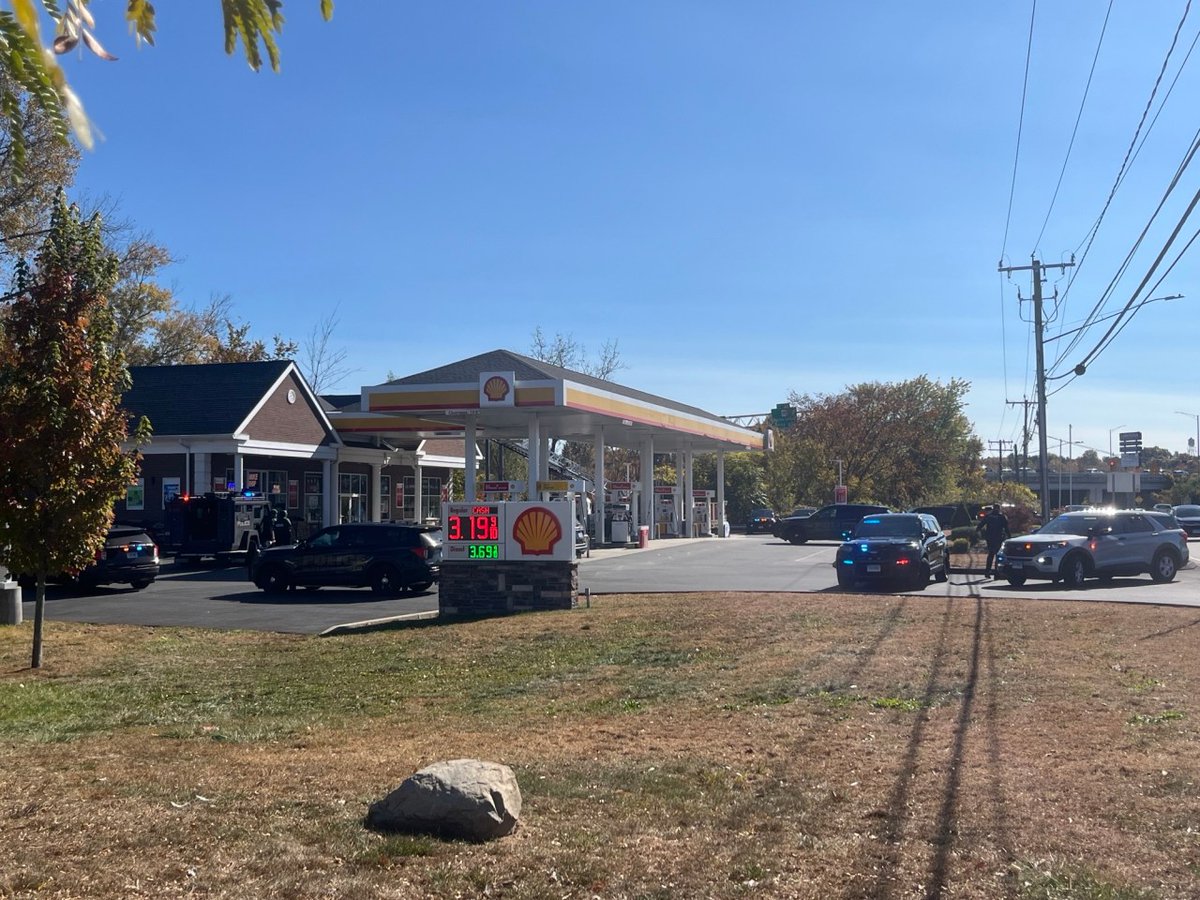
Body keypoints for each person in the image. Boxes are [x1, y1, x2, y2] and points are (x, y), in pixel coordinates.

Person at [977, 504, 1011, 578]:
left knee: (991, 554)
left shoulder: (989, 516)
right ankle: (996, 573)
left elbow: (981, 524)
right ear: (999, 509)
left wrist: (977, 531)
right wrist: (1009, 536)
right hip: (998, 538)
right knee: (997, 555)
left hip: (990, 538)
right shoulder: (1001, 517)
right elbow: (1006, 528)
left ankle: (987, 571)